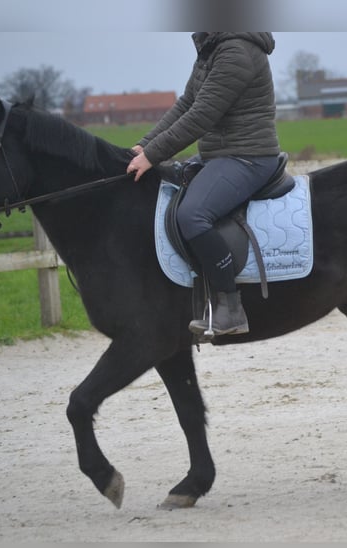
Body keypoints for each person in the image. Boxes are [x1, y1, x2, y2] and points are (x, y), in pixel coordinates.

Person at [127, 32, 281, 337]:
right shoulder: (212, 48)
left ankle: (231, 308)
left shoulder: (236, 52)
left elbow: (203, 114)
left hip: (247, 157)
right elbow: (186, 104)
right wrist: (144, 146)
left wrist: (154, 154)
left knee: (192, 214)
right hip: (221, 156)